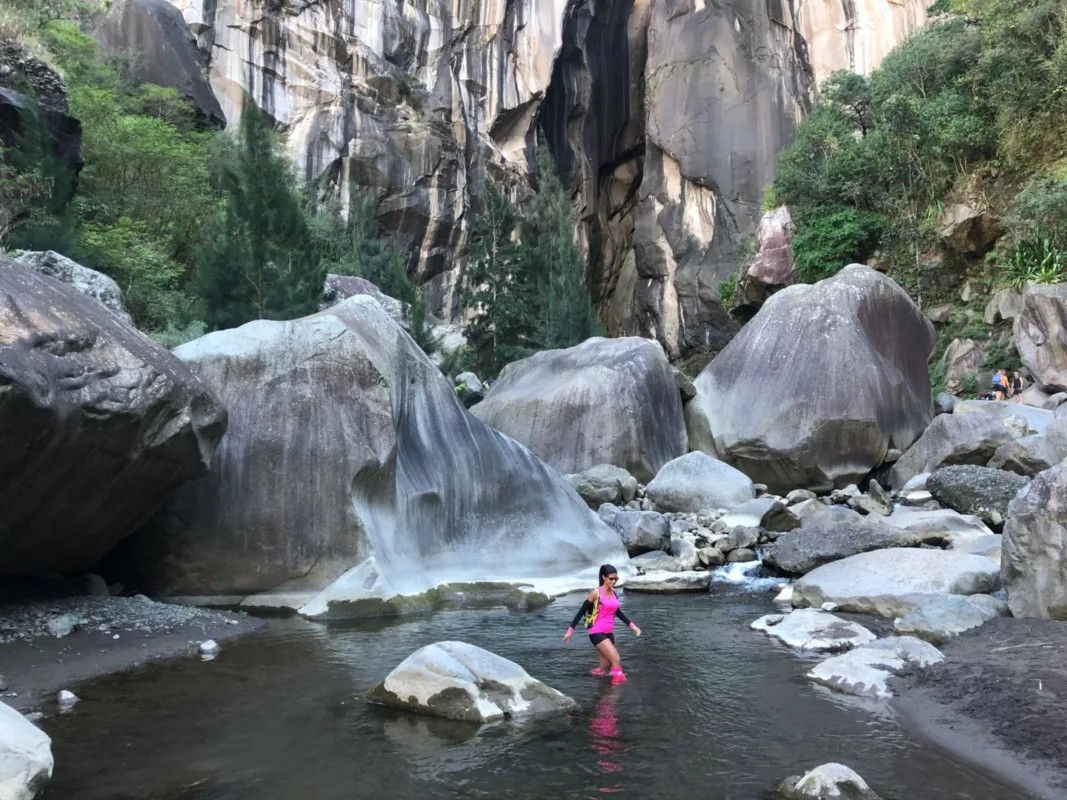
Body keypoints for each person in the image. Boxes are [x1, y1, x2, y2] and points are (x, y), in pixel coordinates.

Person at [563, 564, 641, 681]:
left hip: (609, 633)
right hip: (597, 632)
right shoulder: (595, 593)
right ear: (604, 577)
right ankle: (614, 693)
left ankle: (582, 678)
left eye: (616, 579)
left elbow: (617, 612)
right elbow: (581, 611)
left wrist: (632, 626)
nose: (614, 581)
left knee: (605, 669)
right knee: (616, 660)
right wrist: (570, 631)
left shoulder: (614, 592)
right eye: (611, 578)